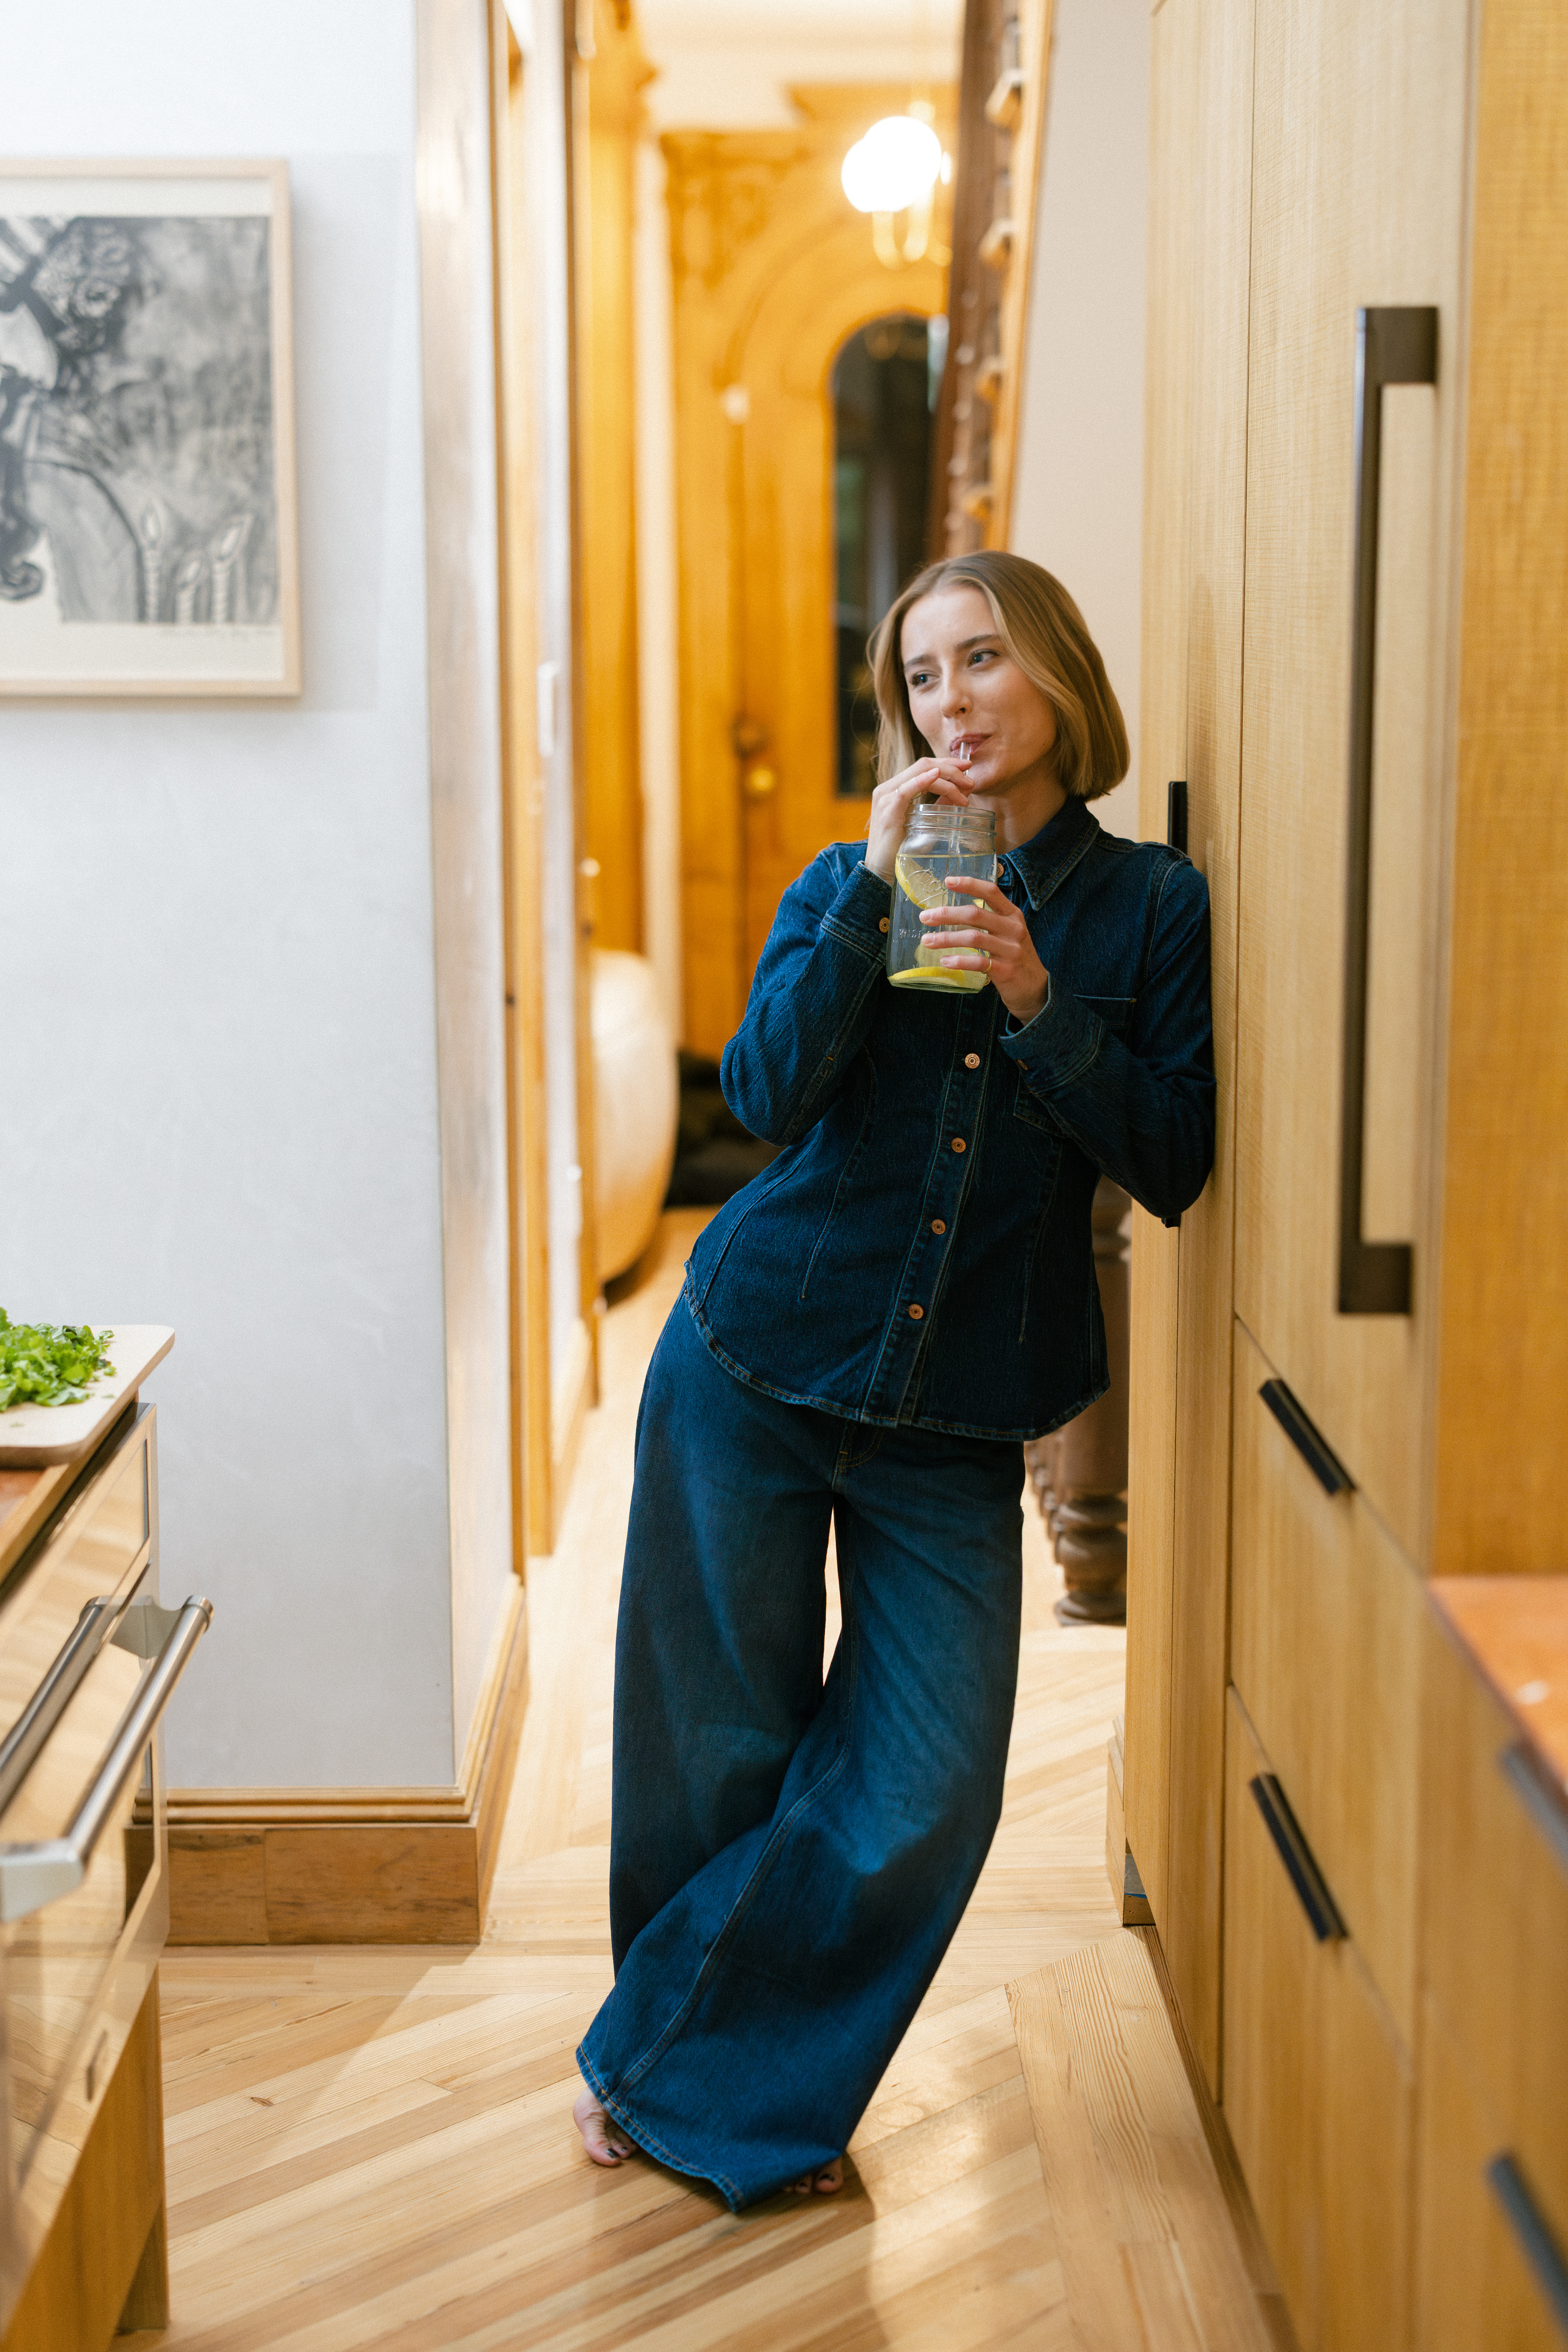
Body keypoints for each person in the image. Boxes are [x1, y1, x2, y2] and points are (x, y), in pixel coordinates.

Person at [572, 550, 1215, 2208]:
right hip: (752, 1361)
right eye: (920, 680)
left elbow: (1171, 1159)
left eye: (981, 661)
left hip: (959, 1415)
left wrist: (1039, 1001)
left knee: (928, 1783)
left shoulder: (1150, 910)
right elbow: (772, 1096)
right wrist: (864, 903)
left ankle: (656, 2059)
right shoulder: (841, 876)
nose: (951, 703)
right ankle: (687, 2089)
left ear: (1057, 675)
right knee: (712, 1745)